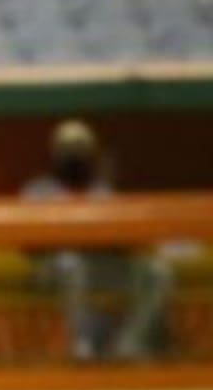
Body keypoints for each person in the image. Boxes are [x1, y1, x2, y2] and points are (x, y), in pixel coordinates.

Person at [22, 120, 174, 362]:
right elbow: (29, 244)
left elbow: (122, 238)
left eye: (79, 151)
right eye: (68, 151)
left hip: (98, 264)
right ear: (56, 155)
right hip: (52, 268)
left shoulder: (102, 193)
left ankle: (130, 342)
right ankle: (83, 345)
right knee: (71, 263)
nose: (74, 157)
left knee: (156, 272)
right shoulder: (39, 191)